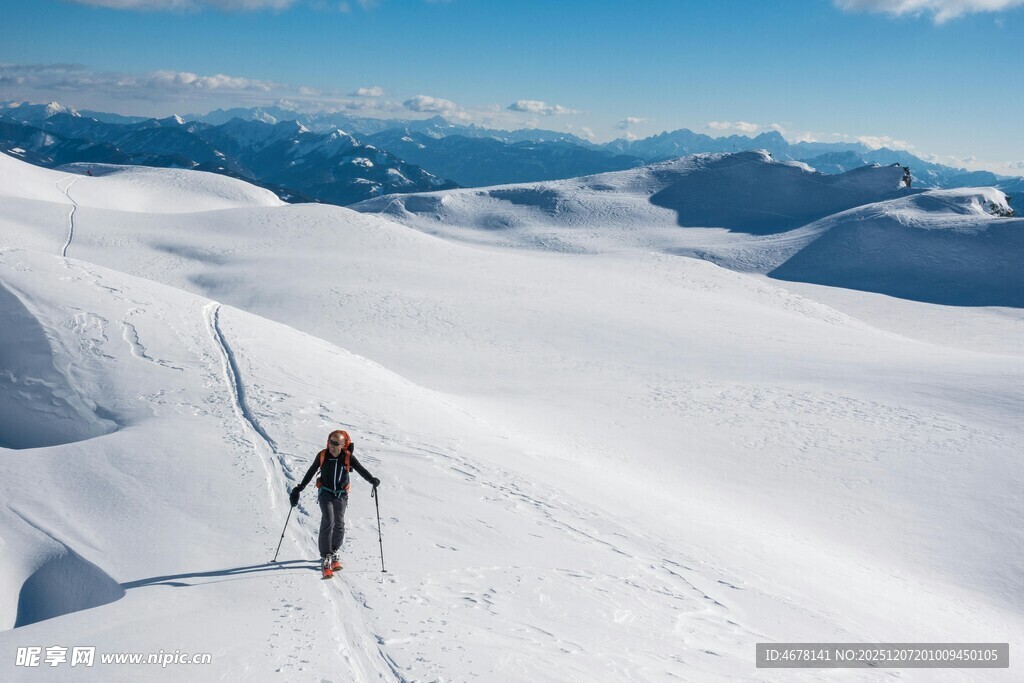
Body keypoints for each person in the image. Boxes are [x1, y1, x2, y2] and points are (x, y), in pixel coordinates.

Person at [289, 430, 380, 578]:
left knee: (339, 523)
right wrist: (299, 488)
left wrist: (372, 480)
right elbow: (311, 472)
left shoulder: (347, 457)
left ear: (343, 445)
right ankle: (326, 557)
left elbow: (361, 470)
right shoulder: (322, 455)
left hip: (341, 495)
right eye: (330, 441)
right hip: (325, 493)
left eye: (335, 443)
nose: (331, 445)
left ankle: (334, 551)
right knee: (328, 520)